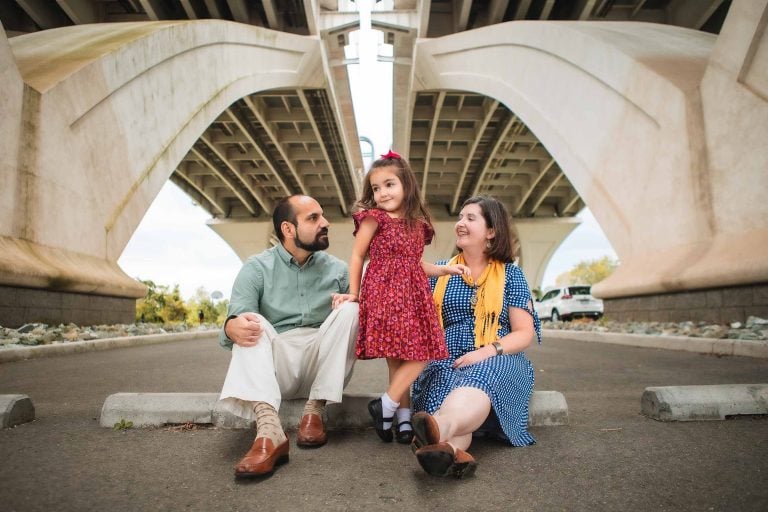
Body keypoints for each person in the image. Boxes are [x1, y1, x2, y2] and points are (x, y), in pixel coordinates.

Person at [218, 194, 359, 479]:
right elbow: (235, 325)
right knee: (249, 320)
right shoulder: (257, 268)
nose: (325, 223)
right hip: (276, 367)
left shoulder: (339, 270)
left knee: (353, 308)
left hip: (320, 365)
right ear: (288, 229)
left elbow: (359, 334)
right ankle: (269, 432)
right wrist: (230, 327)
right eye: (313, 218)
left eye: (322, 216)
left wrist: (350, 303)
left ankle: (314, 411)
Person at [332, 150, 467, 444]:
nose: (382, 193)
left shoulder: (417, 224)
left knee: (403, 359)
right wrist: (353, 293)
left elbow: (415, 262)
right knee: (420, 352)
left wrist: (445, 270)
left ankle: (401, 420)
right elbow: (357, 255)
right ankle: (388, 406)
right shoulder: (373, 219)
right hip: (384, 291)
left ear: (407, 184)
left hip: (413, 293)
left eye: (389, 184)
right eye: (376, 188)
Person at [409, 195, 541, 479]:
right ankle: (451, 453)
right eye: (460, 217)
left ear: (491, 231)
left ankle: (438, 428)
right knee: (445, 393)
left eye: (470, 218)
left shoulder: (511, 275)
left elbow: (524, 333)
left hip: (497, 358)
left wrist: (485, 351)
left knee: (481, 375)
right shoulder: (440, 271)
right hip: (445, 360)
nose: (460, 223)